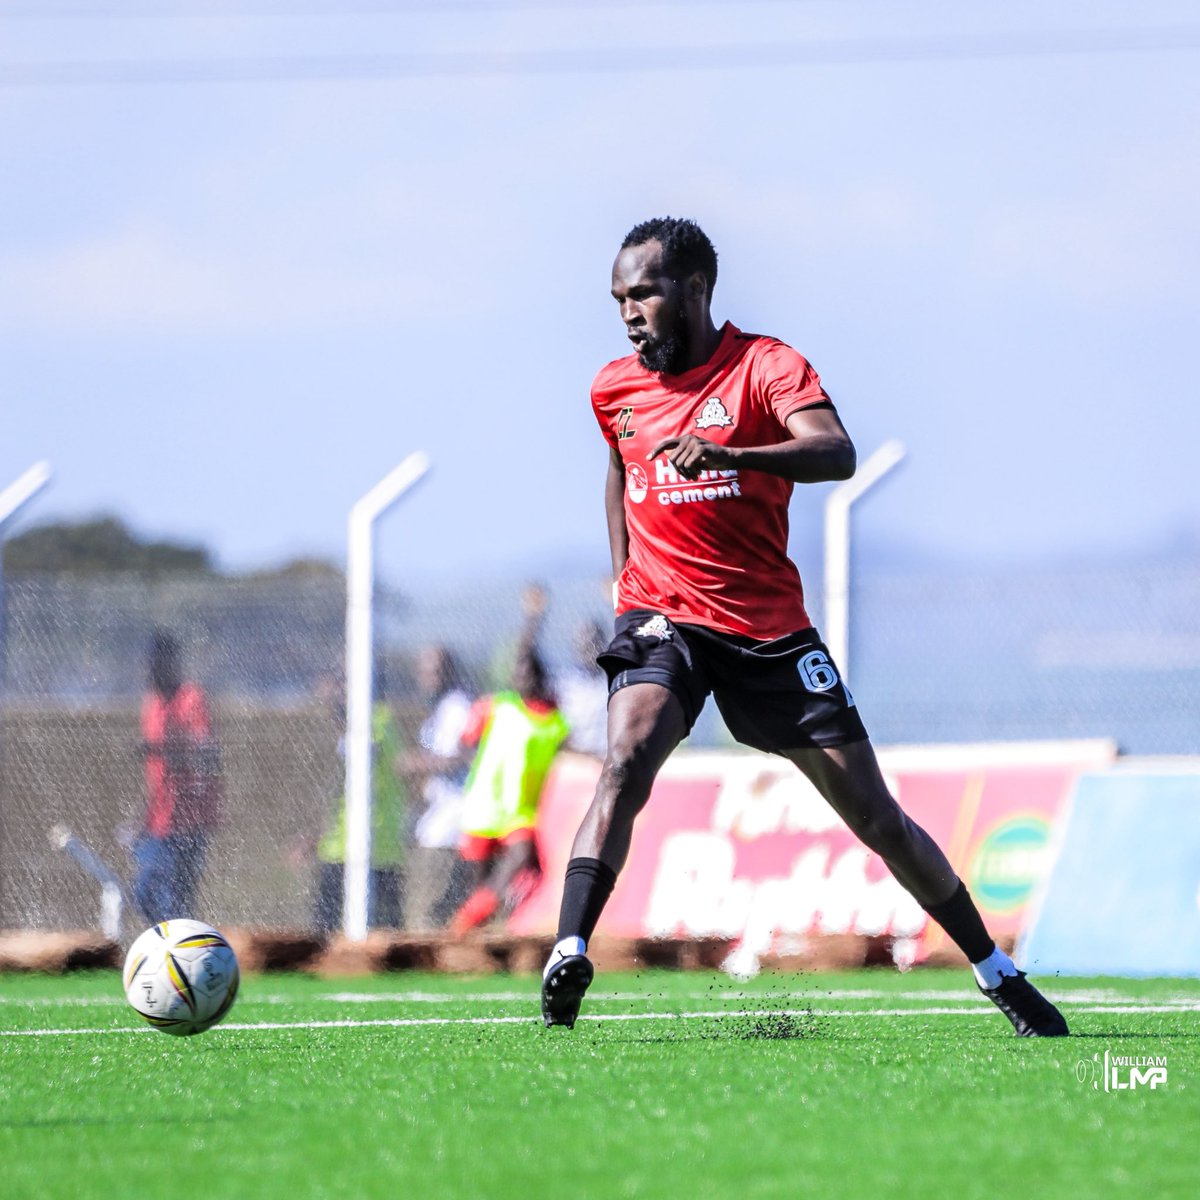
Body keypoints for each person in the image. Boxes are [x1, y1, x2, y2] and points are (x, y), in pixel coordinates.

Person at [540, 217, 1068, 1038]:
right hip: (662, 615)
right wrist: (625, 586)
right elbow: (618, 468)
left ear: (695, 291)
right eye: (618, 298)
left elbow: (835, 451)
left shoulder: (765, 366)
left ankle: (995, 970)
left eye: (642, 292)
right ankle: (568, 949)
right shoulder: (613, 387)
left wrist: (736, 457)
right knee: (626, 755)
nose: (628, 312)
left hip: (765, 630)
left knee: (875, 816)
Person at [449, 629, 570, 936]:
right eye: (516, 672)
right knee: (481, 883)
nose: (521, 678)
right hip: (483, 808)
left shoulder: (555, 721)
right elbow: (465, 741)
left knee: (521, 858)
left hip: (521, 811)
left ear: (539, 675)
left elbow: (568, 751)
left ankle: (465, 925)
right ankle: (481, 935)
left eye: (527, 671)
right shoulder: (496, 706)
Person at [133, 630, 221, 923]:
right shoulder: (152, 703)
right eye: (147, 664)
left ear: (171, 662)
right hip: (158, 821)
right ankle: (169, 954)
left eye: (156, 662)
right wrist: (140, 818)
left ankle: (178, 961)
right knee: (146, 893)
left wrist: (162, 749)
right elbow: (154, 775)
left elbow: (207, 755)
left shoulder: (191, 698)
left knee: (175, 899)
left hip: (190, 821)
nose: (150, 670)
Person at [312, 676, 406, 933]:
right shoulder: (344, 728)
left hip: (376, 847)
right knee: (325, 931)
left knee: (386, 933)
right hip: (338, 847)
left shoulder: (376, 719)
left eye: (339, 683)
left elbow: (369, 762)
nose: (328, 689)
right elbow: (335, 787)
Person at [401, 646, 475, 929]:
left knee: (430, 913)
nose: (427, 677)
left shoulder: (458, 707)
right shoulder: (439, 709)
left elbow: (459, 757)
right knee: (422, 909)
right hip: (434, 821)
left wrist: (414, 763)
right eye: (423, 671)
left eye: (434, 671)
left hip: (449, 825)